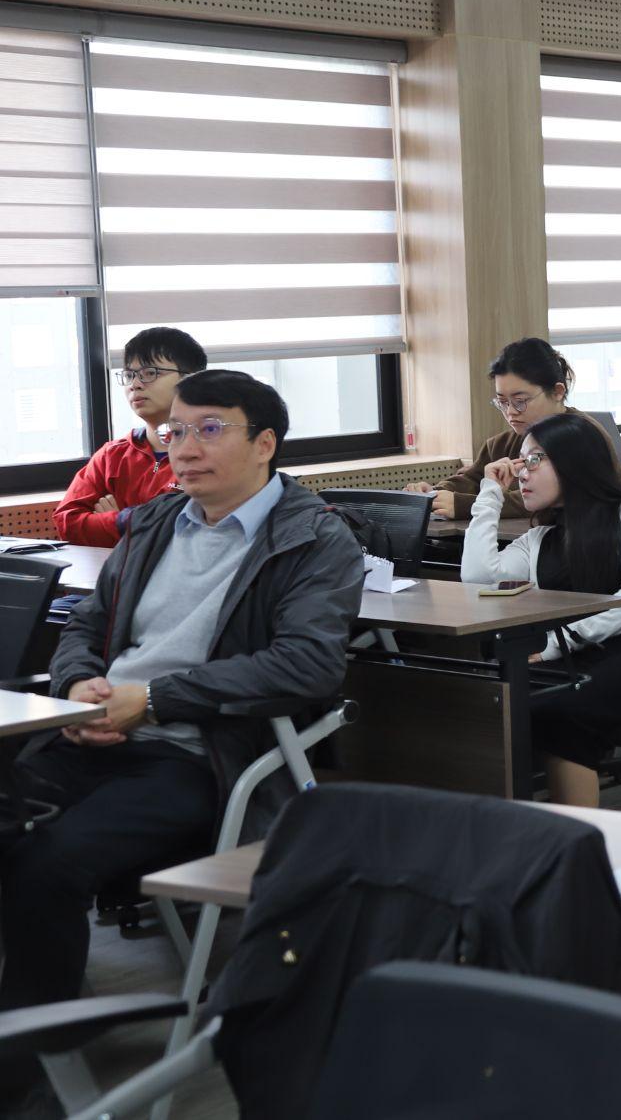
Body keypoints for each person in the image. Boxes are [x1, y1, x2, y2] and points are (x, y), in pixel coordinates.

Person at [6, 371, 362, 1027]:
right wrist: (76, 685)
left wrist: (154, 699)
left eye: (210, 429)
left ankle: (34, 1051)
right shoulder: (155, 522)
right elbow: (86, 623)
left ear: (264, 444)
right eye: (175, 431)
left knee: (47, 864)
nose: (185, 448)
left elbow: (307, 664)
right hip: (91, 734)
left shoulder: (314, 537)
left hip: (201, 757)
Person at [462, 411, 621, 808]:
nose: (522, 473)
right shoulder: (540, 539)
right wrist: (489, 493)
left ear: (574, 463)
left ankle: (577, 832)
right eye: (521, 462)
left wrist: (555, 645)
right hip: (569, 650)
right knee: (494, 698)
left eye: (535, 460)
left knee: (560, 709)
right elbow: (478, 576)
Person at [407, 337, 592, 520]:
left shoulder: (585, 437)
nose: (510, 412)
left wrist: (466, 505)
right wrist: (435, 494)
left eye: (520, 401)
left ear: (558, 392)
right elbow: (472, 480)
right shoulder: (500, 444)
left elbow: (551, 495)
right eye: (502, 402)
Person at [54, 327, 208, 546]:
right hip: (114, 568)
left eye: (150, 373)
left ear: (191, 379)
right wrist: (122, 521)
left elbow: (186, 532)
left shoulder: (208, 453)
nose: (135, 384)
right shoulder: (112, 455)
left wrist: (118, 520)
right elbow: (67, 523)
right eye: (129, 375)